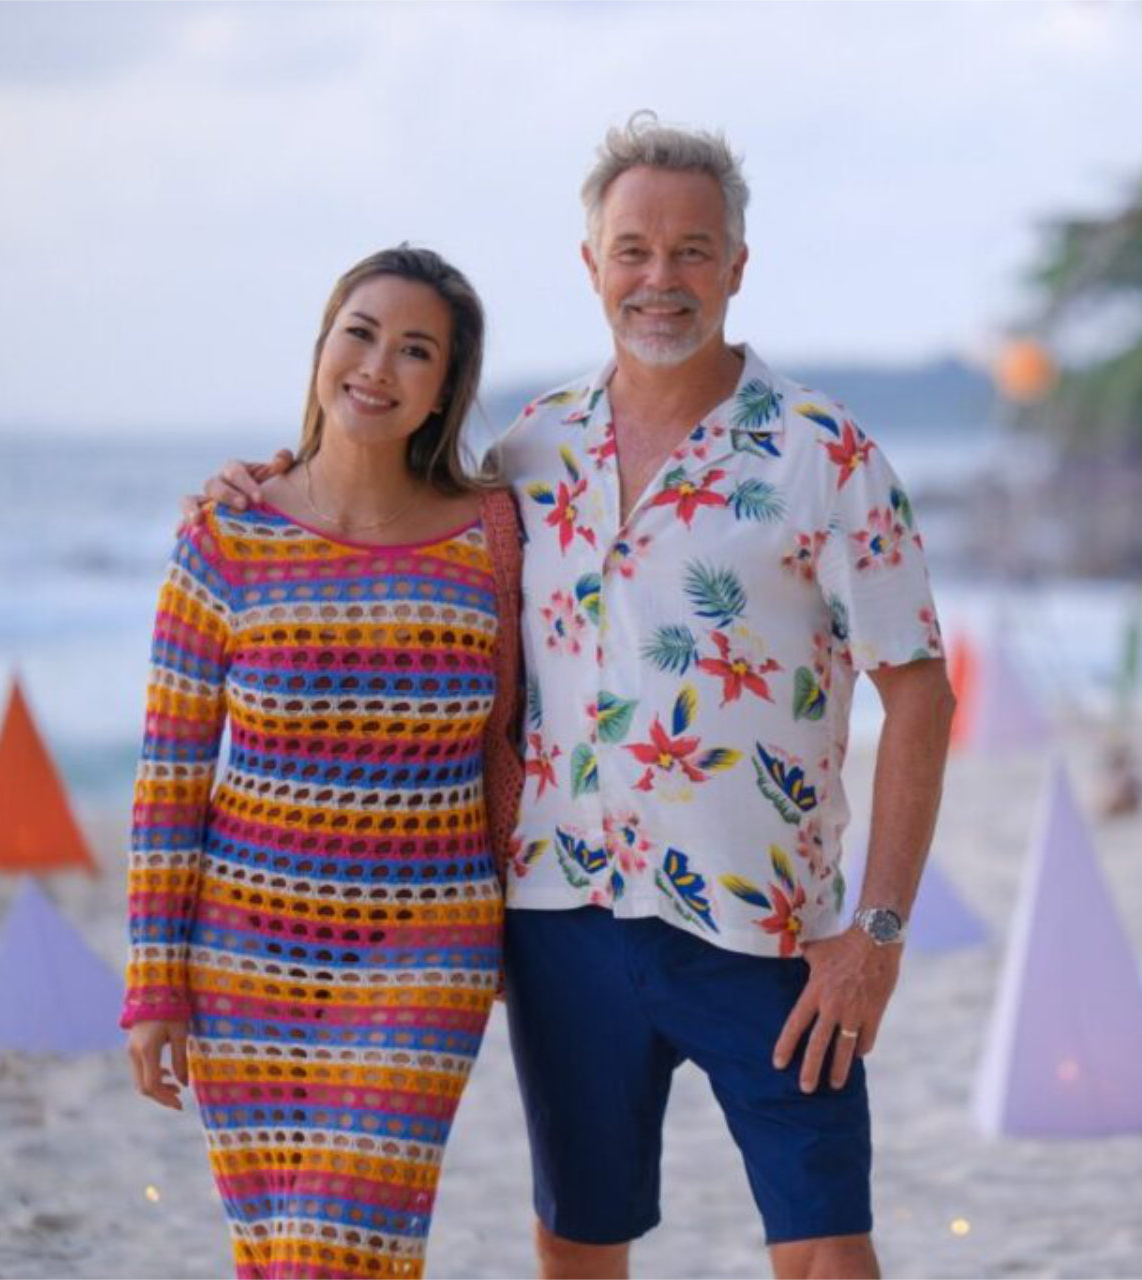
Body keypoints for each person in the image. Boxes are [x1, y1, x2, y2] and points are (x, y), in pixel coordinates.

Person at [200, 114, 957, 1280]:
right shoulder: (528, 451)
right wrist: (262, 482)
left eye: (693, 250)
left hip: (770, 933)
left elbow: (920, 693)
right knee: (579, 1237)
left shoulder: (827, 454)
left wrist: (880, 935)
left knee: (823, 1240)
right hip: (560, 920)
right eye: (635, 250)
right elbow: (384, 514)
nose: (662, 279)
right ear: (593, 264)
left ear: (738, 267)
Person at [125, 245, 525, 1280]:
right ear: (322, 345)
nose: (378, 365)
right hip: (242, 959)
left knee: (330, 1250)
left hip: (426, 952)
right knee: (289, 1253)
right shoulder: (226, 536)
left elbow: (541, 734)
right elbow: (169, 780)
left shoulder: (495, 539)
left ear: (443, 392)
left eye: (415, 350)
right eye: (361, 332)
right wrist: (152, 982)